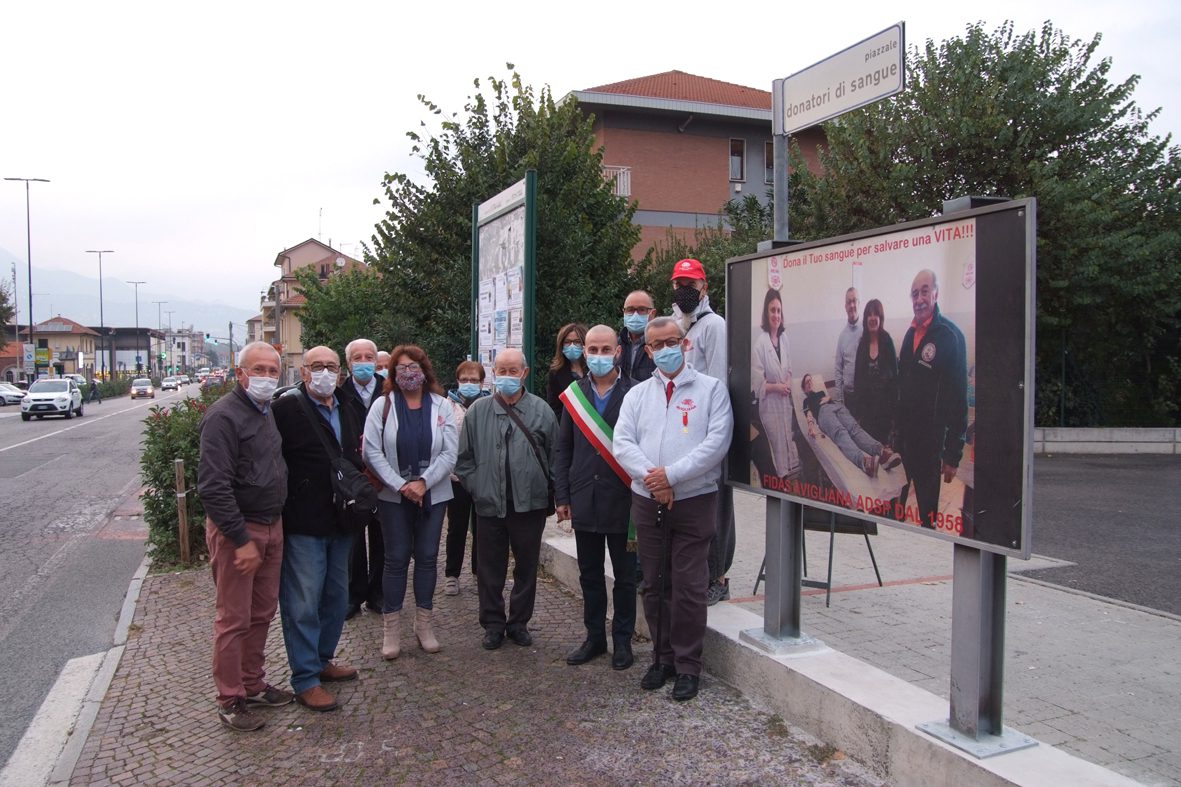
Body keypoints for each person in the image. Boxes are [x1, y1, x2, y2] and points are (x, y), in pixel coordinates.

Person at [614, 317, 733, 701]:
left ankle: (687, 666)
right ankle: (661, 659)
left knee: (688, 586)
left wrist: (672, 477)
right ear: (647, 350)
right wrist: (654, 480)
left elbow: (716, 444)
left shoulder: (711, 390)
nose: (664, 349)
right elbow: (623, 443)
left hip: (694, 500)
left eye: (672, 341)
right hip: (648, 502)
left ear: (684, 344)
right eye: (656, 344)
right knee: (654, 583)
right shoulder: (637, 396)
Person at [197, 341, 291, 731]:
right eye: (259, 370)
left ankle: (252, 683)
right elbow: (212, 487)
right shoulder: (224, 417)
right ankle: (230, 697)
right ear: (240, 374)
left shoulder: (265, 411)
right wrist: (240, 540)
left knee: (262, 612)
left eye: (273, 371)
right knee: (233, 619)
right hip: (240, 531)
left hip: (272, 525)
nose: (267, 377)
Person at [272, 346, 363, 713]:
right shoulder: (286, 409)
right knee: (303, 602)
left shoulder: (349, 406)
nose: (324, 373)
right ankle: (305, 678)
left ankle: (323, 659)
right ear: (304, 371)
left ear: (340, 372)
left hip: (343, 519)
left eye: (331, 366)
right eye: (317, 366)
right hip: (304, 522)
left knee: (336, 598)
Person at [454, 348, 557, 651]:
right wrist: (478, 488)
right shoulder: (477, 411)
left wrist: (550, 491)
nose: (507, 376)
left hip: (530, 505)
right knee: (489, 568)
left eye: (514, 370)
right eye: (502, 370)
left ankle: (519, 623)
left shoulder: (542, 411)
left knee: (526, 567)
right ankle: (493, 624)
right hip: (489, 504)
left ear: (524, 373)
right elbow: (464, 460)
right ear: (494, 373)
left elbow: (555, 457)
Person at [363, 345, 458, 659]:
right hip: (393, 496)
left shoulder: (442, 405)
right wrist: (401, 485)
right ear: (392, 372)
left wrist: (423, 482)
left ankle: (424, 624)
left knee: (428, 557)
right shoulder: (383, 406)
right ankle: (391, 629)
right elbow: (371, 452)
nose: (408, 372)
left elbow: (449, 452)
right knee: (396, 559)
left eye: (414, 366)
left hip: (434, 493)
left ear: (424, 369)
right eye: (401, 367)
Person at [554, 325, 637, 671]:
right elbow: (563, 448)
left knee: (625, 576)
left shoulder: (636, 392)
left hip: (625, 501)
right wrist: (561, 495)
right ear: (584, 352)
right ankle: (594, 638)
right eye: (592, 349)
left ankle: (622, 641)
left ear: (618, 351)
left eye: (606, 349)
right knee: (589, 574)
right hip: (585, 497)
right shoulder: (574, 394)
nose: (598, 356)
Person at [669, 257, 732, 606]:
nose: (684, 291)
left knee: (718, 506)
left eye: (690, 285)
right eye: (679, 284)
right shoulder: (682, 327)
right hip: (685, 431)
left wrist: (715, 434)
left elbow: (720, 380)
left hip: (710, 431)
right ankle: (700, 573)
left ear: (704, 287)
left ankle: (719, 577)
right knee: (696, 506)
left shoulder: (713, 325)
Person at [896, 269, 968, 529]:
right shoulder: (908, 336)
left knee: (927, 521)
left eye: (924, 291)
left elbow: (958, 400)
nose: (919, 299)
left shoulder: (950, 337)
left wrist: (952, 455)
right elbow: (901, 391)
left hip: (930, 449)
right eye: (915, 294)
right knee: (895, 513)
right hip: (904, 446)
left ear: (936, 294)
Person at [337, 338, 386, 619]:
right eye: (358, 357)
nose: (364, 361)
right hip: (353, 477)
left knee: (382, 537)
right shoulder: (339, 394)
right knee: (353, 539)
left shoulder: (388, 390)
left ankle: (377, 593)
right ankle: (353, 595)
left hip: (383, 475)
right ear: (349, 363)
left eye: (369, 356)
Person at [443, 360, 489, 595]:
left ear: (482, 382)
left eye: (474, 380)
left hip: (483, 477)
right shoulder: (446, 406)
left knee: (483, 526)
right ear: (457, 381)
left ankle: (479, 571)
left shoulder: (490, 404)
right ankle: (452, 574)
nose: (469, 384)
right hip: (456, 477)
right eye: (464, 380)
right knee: (457, 527)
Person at [800, 373, 898, 477]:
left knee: (855, 429)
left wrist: (829, 398)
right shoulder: (806, 401)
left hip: (836, 406)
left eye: (810, 380)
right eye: (806, 382)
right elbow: (809, 414)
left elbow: (830, 399)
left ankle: (881, 453)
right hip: (823, 413)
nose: (809, 383)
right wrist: (811, 426)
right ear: (803, 388)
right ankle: (865, 463)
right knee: (841, 433)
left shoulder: (821, 392)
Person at [751, 288, 800, 480]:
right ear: (766, 313)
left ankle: (786, 480)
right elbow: (758, 385)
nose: (776, 315)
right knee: (776, 449)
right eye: (772, 310)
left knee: (787, 443)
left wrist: (787, 381)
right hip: (770, 407)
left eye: (779, 310)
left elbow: (789, 367)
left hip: (784, 403)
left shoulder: (784, 339)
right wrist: (777, 388)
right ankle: (779, 484)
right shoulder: (760, 344)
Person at [850, 299, 898, 444]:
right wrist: (857, 413)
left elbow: (895, 377)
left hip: (885, 413)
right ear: (865, 319)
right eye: (869, 315)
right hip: (867, 414)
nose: (872, 318)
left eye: (876, 314)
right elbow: (857, 380)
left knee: (883, 454)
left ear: (880, 318)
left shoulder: (887, 341)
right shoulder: (862, 344)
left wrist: (894, 414)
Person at [545, 323, 588, 419]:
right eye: (567, 342)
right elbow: (554, 408)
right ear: (561, 345)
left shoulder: (593, 369)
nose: (572, 345)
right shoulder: (555, 373)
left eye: (577, 342)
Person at [619, 290, 657, 383]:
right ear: (624, 312)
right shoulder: (615, 346)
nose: (635, 314)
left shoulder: (659, 346)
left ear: (652, 314)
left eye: (641, 310)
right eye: (630, 310)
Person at [833, 287, 862, 404]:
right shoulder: (842, 337)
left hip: (865, 396)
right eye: (849, 302)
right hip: (848, 397)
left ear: (859, 303)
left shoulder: (867, 332)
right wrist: (839, 400)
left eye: (854, 301)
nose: (852, 305)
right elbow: (838, 369)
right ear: (845, 307)